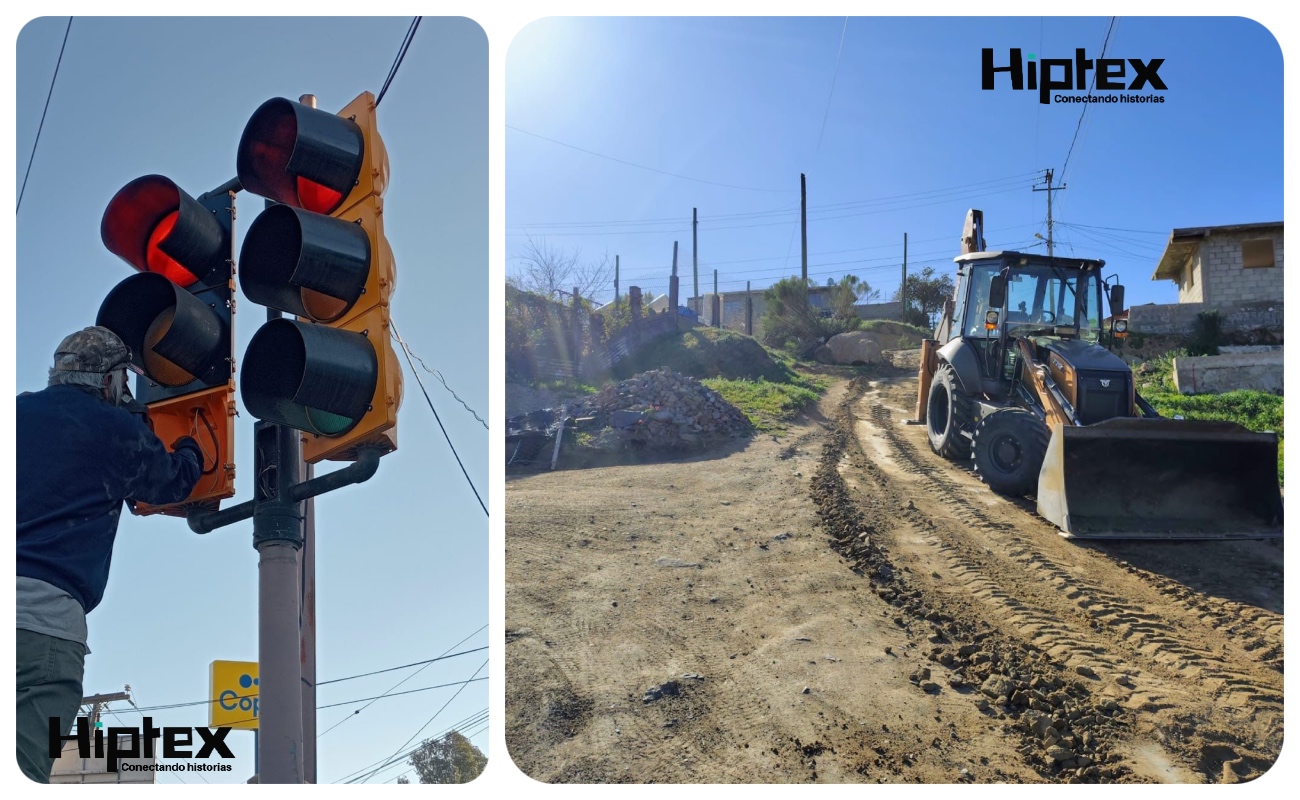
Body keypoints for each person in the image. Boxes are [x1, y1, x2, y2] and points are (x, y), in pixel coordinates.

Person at [16, 326, 204, 783]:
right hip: (42, 624)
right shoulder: (116, 430)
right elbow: (172, 482)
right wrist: (191, 441)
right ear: (110, 382)